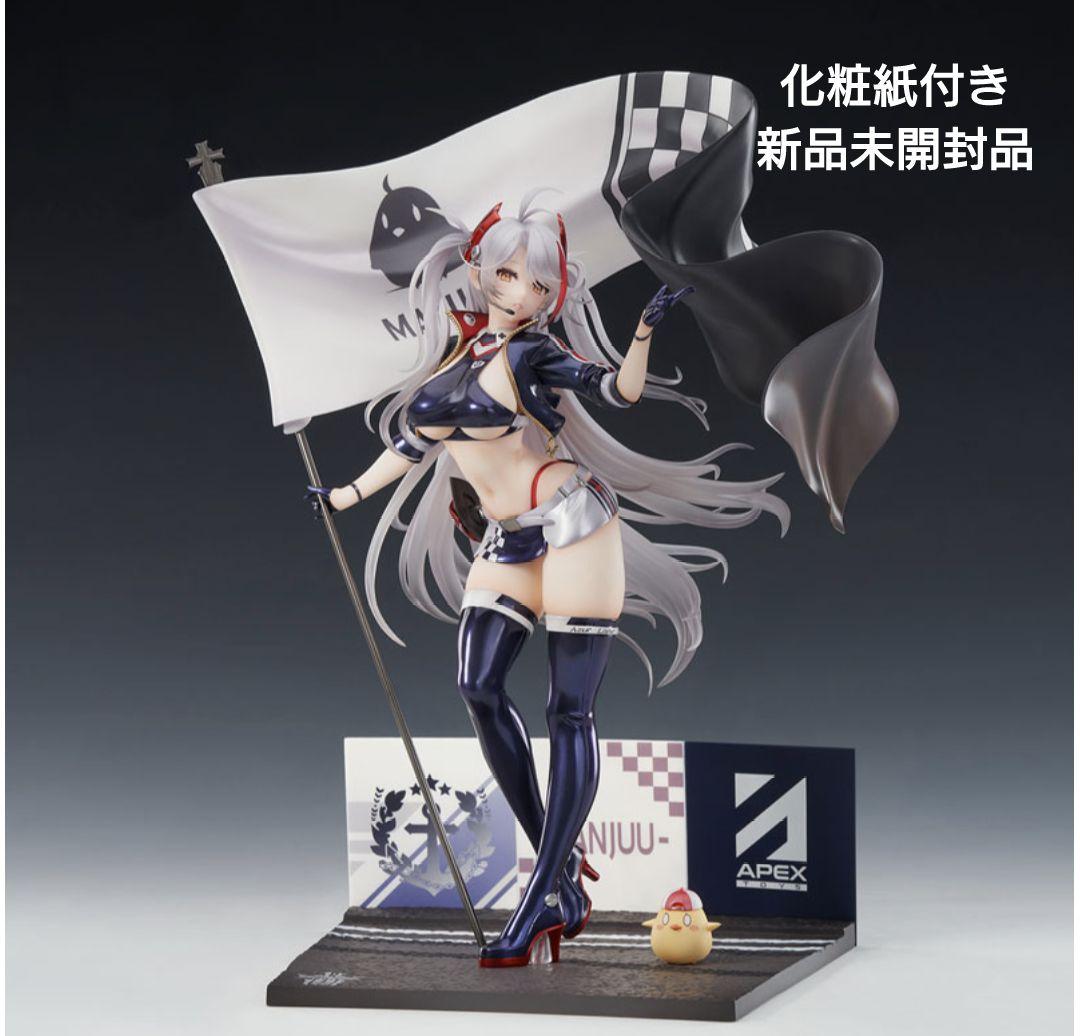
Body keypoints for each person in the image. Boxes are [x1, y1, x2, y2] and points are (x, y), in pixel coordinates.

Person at [306, 190, 788, 967]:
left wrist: (641, 333)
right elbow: (411, 447)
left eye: (537, 284)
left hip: (572, 525)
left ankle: (538, 901)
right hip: (507, 540)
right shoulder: (455, 356)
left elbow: (618, 392)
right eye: (507, 275)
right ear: (479, 271)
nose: (519, 293)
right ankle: (562, 878)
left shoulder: (533, 354)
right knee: (477, 685)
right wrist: (345, 496)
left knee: (568, 711)